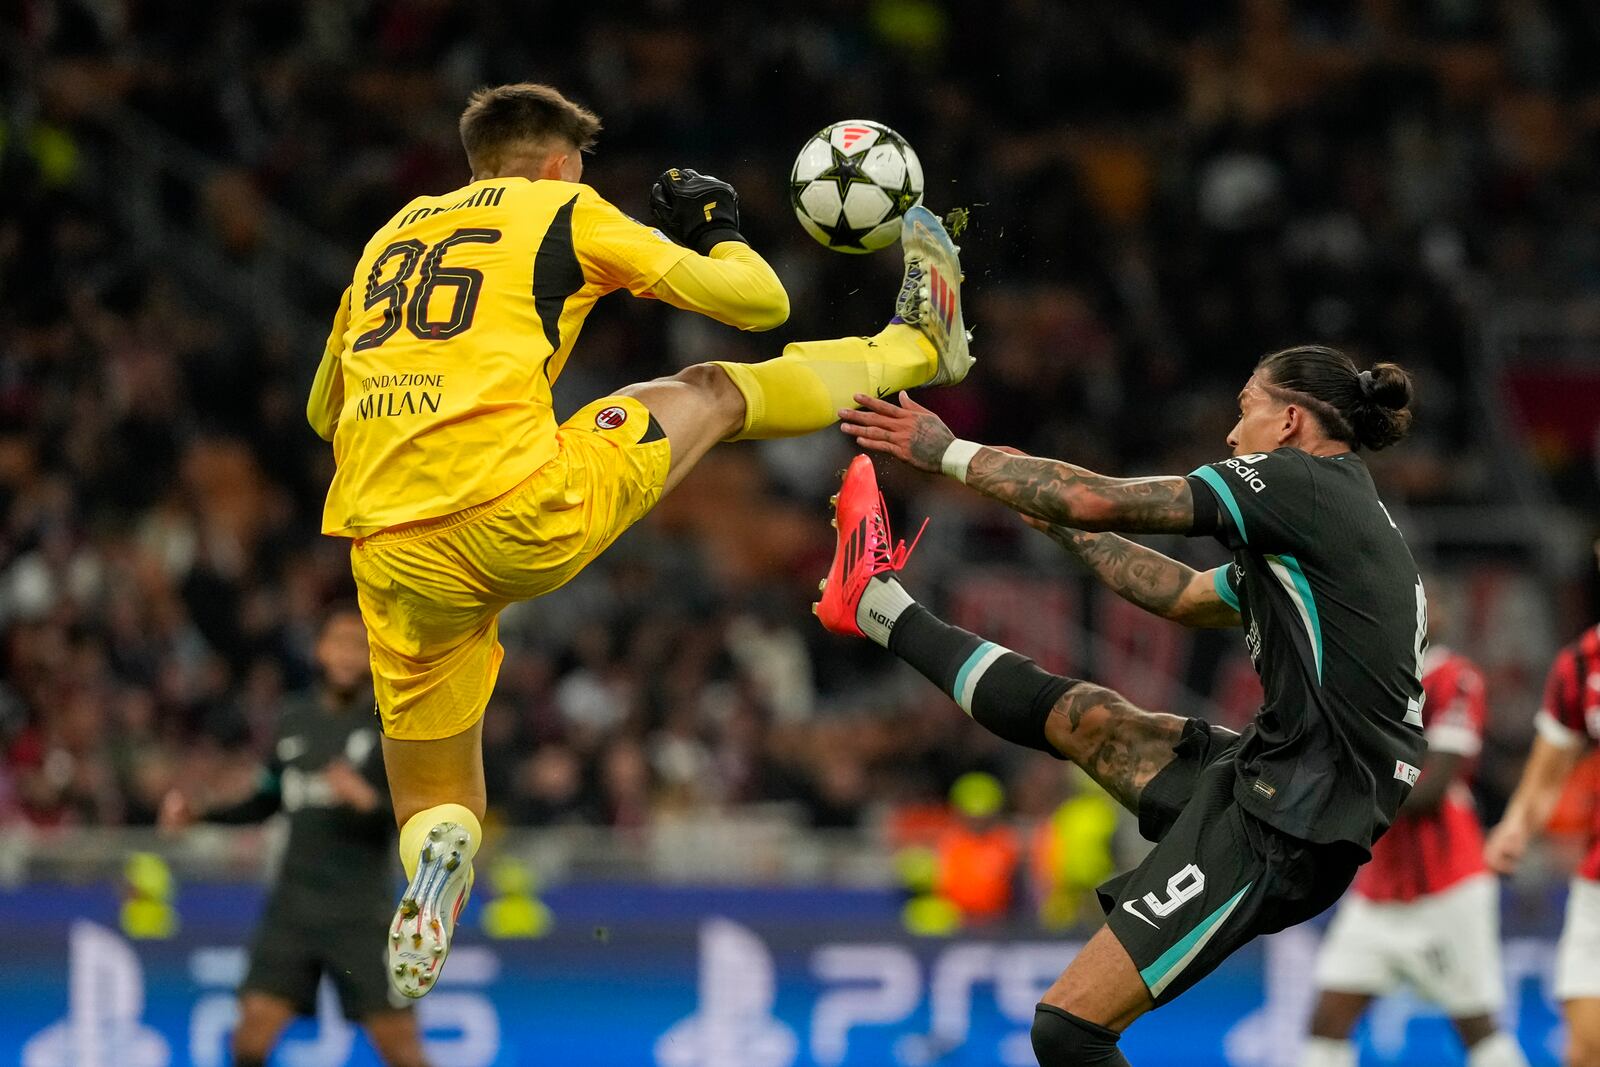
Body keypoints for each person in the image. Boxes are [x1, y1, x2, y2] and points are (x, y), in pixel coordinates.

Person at [306, 81, 973, 997]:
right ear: (557, 162)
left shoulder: (391, 235)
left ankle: (435, 866)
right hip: (514, 506)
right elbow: (760, 302)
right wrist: (718, 225)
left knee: (435, 796)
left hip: (386, 545)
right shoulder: (562, 208)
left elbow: (321, 409)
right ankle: (918, 347)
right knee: (710, 389)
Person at [815, 345, 1426, 1066]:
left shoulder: (1299, 484)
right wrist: (1060, 523)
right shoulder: (1325, 527)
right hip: (1273, 776)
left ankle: (875, 602)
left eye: (1245, 407)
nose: (1231, 435)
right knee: (1092, 721)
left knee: (1068, 1029)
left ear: (1289, 420)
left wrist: (948, 452)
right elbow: (1183, 596)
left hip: (1291, 819)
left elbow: (1100, 495)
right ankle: (875, 601)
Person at [159, 606, 428, 1067]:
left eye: (356, 645)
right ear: (320, 650)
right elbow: (268, 798)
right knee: (250, 1039)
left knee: (401, 1048)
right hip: (294, 908)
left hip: (360, 911)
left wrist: (369, 801)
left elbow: (416, 819)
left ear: (371, 655)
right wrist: (201, 814)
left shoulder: (390, 725)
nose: (346, 655)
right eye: (337, 643)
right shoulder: (293, 720)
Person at [1303, 628, 1528, 1067]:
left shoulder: (1454, 678)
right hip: (1379, 890)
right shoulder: (1362, 680)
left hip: (1447, 887)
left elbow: (1432, 789)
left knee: (1477, 1030)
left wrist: (1339, 790)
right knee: (1327, 1021)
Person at [1486, 545, 1600, 1067]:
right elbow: (1546, 773)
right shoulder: (1581, 665)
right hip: (1596, 884)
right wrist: (1515, 826)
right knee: (1583, 1045)